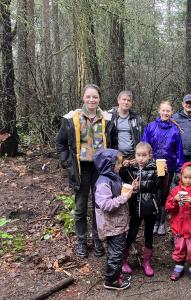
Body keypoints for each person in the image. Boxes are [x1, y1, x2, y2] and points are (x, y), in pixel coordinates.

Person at [56, 84, 111, 258]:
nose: (92, 100)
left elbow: (113, 142)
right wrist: (66, 162)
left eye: (95, 97)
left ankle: (97, 239)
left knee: (99, 205)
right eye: (89, 97)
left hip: (100, 168)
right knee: (80, 206)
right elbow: (61, 142)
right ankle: (81, 241)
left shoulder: (107, 119)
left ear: (99, 99)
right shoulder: (72, 118)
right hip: (81, 168)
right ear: (83, 98)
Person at [119, 142, 164, 277]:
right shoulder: (132, 168)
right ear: (135, 155)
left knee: (148, 235)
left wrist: (163, 174)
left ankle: (147, 262)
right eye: (138, 155)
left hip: (151, 207)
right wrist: (123, 167)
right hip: (136, 207)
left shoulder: (154, 168)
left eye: (144, 155)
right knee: (132, 233)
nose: (141, 158)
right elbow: (123, 179)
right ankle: (123, 260)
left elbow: (158, 186)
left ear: (150, 156)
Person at [142, 100, 184, 235]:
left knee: (164, 194)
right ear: (159, 111)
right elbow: (145, 146)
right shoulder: (150, 127)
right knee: (153, 193)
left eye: (168, 111)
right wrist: (145, 162)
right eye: (163, 110)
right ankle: (153, 221)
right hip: (153, 167)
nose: (165, 113)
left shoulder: (174, 130)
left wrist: (179, 168)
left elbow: (179, 150)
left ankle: (161, 222)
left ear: (171, 112)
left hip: (168, 167)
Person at [93, 149, 133, 290]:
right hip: (111, 225)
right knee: (116, 252)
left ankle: (115, 274)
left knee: (116, 250)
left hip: (116, 223)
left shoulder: (113, 177)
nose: (120, 165)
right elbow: (106, 205)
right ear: (109, 165)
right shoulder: (103, 182)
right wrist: (125, 197)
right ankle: (112, 281)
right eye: (118, 163)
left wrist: (129, 190)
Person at [108, 90, 142, 157]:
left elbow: (140, 139)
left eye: (129, 100)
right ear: (118, 100)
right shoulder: (109, 116)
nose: (126, 102)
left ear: (131, 103)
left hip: (132, 157)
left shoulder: (136, 118)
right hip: (114, 156)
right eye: (124, 99)